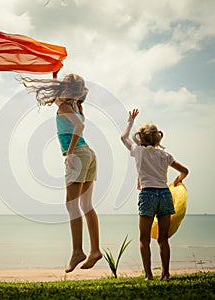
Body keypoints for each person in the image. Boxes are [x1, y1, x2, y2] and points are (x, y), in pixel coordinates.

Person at [21, 73, 102, 273]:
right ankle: (95, 250)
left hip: (79, 155)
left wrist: (71, 152)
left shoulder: (65, 106)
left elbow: (80, 126)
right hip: (89, 155)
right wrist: (56, 73)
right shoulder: (75, 105)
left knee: (71, 205)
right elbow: (75, 115)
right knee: (85, 205)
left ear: (67, 88)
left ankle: (77, 252)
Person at [121, 109, 189, 280]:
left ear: (141, 139)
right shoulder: (165, 155)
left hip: (147, 195)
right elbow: (185, 171)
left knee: (144, 238)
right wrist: (178, 180)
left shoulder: (138, 151)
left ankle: (149, 275)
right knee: (163, 238)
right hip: (165, 195)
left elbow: (123, 137)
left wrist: (130, 120)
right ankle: (165, 274)